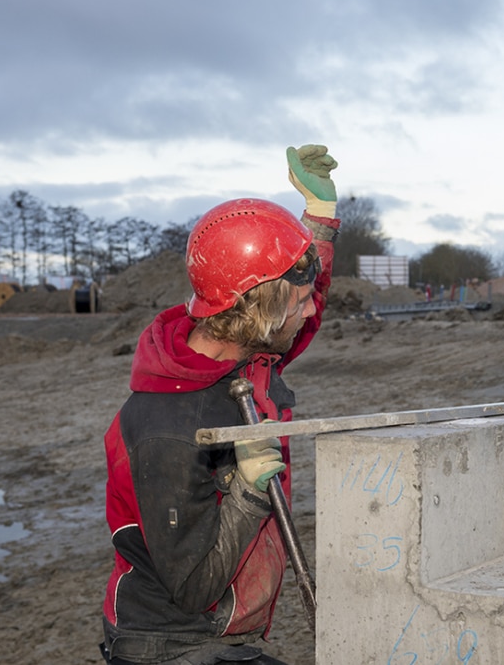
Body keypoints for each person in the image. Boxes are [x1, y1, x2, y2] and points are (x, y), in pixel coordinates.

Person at [100, 145, 340, 665]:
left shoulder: (245, 355)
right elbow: (192, 584)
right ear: (260, 308)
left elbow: (296, 305)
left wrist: (320, 219)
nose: (312, 309)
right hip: (172, 643)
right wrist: (251, 492)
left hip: (224, 634)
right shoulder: (165, 427)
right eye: (299, 301)